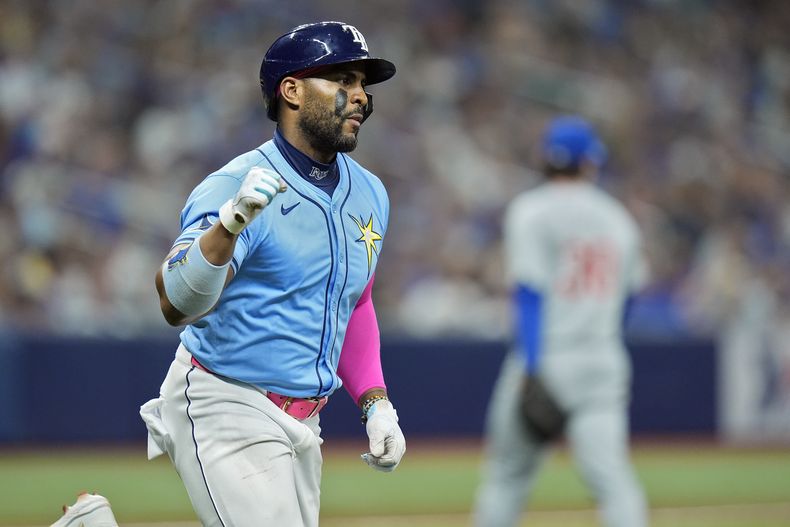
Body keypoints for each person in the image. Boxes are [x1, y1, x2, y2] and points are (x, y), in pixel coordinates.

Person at [139, 21, 405, 527]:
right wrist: (229, 225)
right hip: (227, 400)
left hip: (306, 421)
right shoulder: (236, 184)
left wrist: (375, 402)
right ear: (292, 91)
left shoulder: (370, 192)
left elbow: (356, 302)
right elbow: (175, 303)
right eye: (342, 80)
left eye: (362, 84)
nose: (359, 96)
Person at [473, 116, 649, 527]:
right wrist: (604, 337)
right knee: (612, 481)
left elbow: (529, 293)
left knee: (506, 477)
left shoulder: (531, 210)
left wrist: (531, 367)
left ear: (545, 159)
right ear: (590, 162)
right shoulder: (618, 218)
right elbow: (629, 297)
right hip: (601, 359)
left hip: (547, 356)